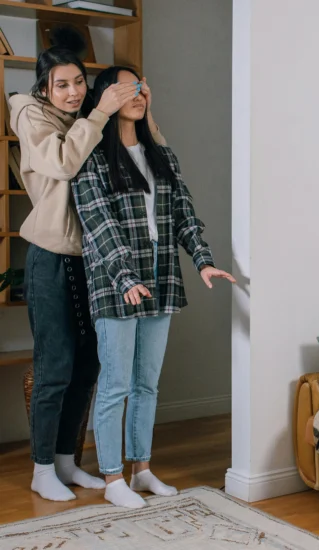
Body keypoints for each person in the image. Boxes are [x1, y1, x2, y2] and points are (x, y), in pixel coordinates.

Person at [71, 65, 235, 509]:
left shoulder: (162, 155)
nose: (138, 93)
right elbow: (98, 225)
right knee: (115, 385)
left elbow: (184, 213)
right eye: (127, 87)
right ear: (105, 97)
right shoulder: (91, 158)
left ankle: (141, 470)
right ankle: (111, 478)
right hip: (115, 283)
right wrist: (125, 277)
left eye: (142, 86)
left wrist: (203, 261)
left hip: (161, 281)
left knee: (147, 385)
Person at [10, 46, 165, 502]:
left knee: (87, 365)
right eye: (62, 84)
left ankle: (65, 461)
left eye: (80, 81)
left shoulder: (91, 119)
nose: (73, 91)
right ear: (44, 88)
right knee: (54, 366)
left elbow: (152, 158)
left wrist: (141, 109)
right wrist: (100, 112)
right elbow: (63, 163)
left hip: (94, 260)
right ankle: (42, 470)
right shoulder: (32, 118)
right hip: (51, 257)